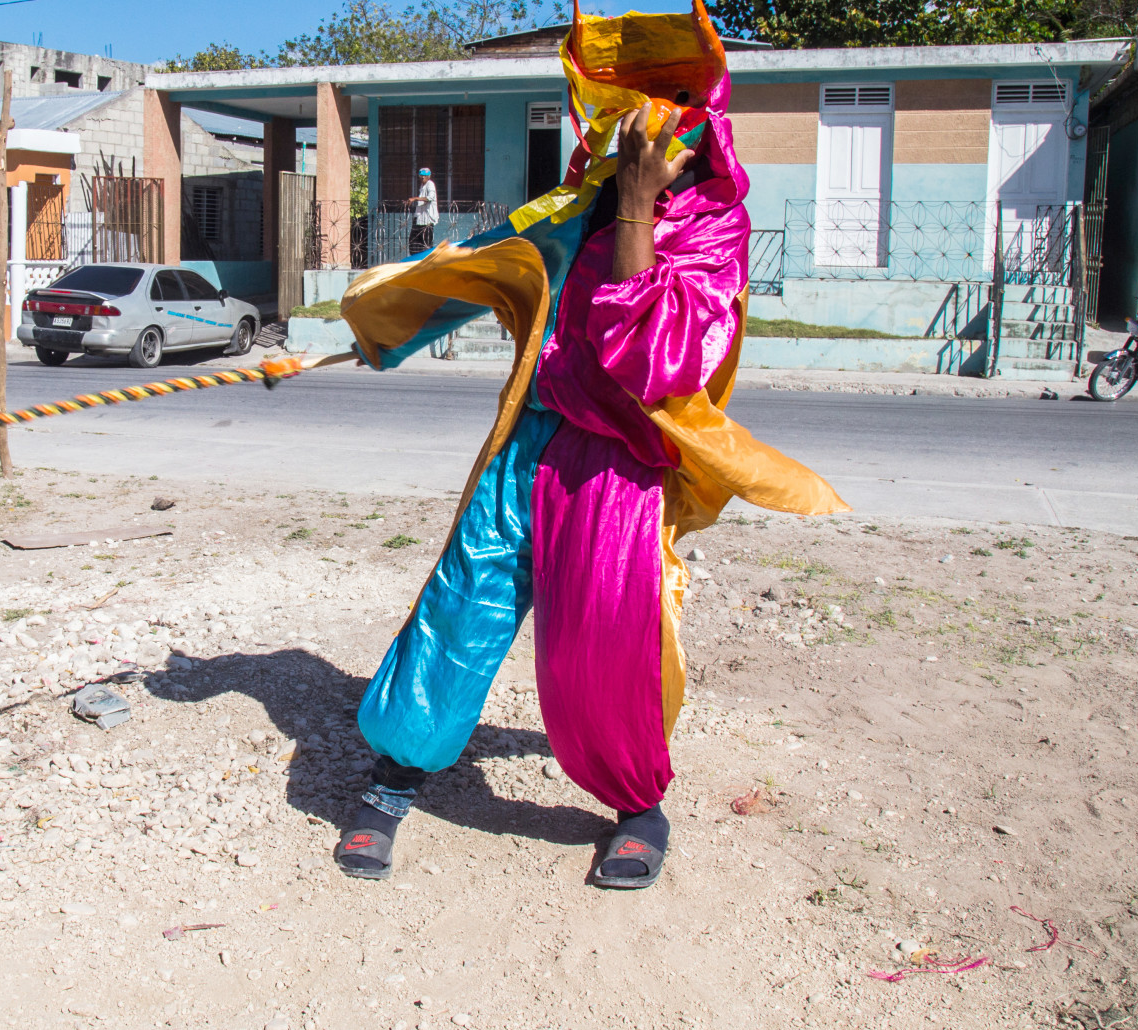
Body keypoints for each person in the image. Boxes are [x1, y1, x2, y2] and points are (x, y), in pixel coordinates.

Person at [329, 0, 845, 890]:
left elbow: (652, 359)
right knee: (462, 603)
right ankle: (396, 776)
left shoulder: (712, 229)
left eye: (667, 99)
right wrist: (376, 330)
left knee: (603, 645)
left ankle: (638, 807)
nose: (640, 119)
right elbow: (480, 269)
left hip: (615, 460)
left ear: (701, 116)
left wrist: (639, 207)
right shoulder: (577, 202)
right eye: (622, 100)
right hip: (531, 439)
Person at [407, 167, 438, 253]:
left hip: (427, 220)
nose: (423, 177)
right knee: (414, 243)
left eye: (425, 176)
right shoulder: (422, 186)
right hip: (419, 218)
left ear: (429, 176)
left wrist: (415, 199)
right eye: (421, 175)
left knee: (426, 244)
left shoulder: (430, 184)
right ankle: (416, 258)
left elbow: (430, 197)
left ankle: (425, 259)